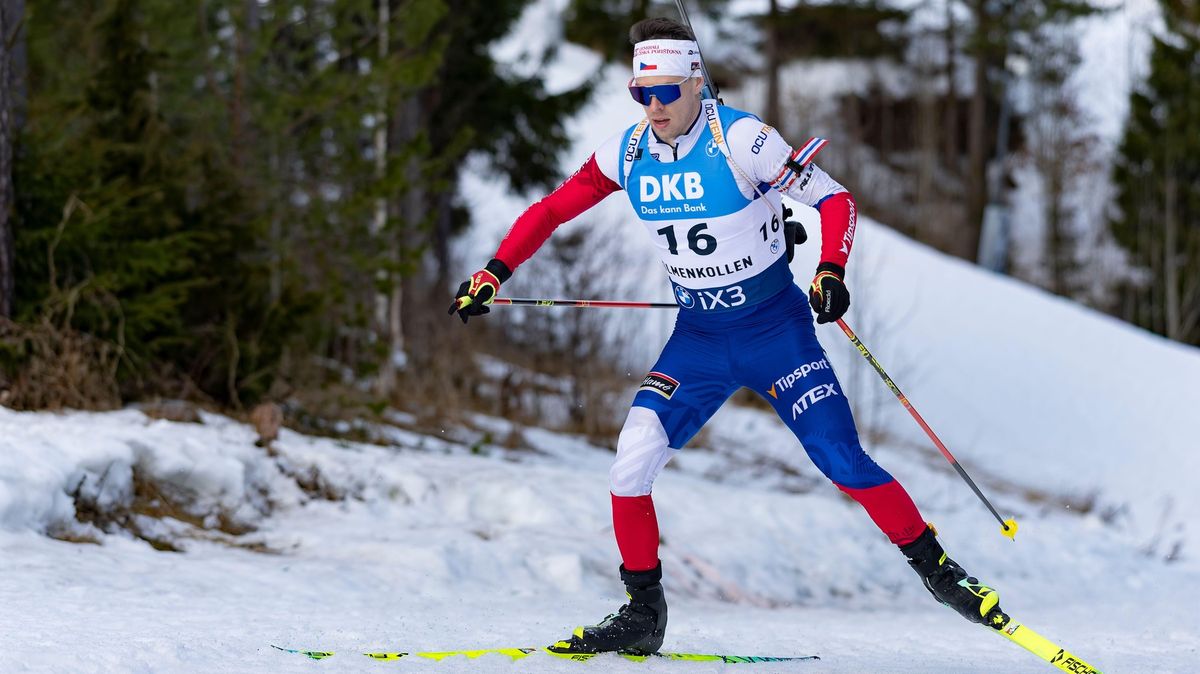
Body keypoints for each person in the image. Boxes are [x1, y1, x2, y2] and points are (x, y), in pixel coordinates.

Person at [449, 16, 1005, 655]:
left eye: (666, 92)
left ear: (695, 83)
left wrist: (829, 270)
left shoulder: (743, 140)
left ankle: (942, 574)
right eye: (641, 93)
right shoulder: (627, 152)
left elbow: (836, 202)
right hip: (700, 339)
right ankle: (642, 612)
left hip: (776, 332)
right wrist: (493, 271)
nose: (653, 106)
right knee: (630, 463)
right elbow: (550, 210)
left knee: (840, 460)